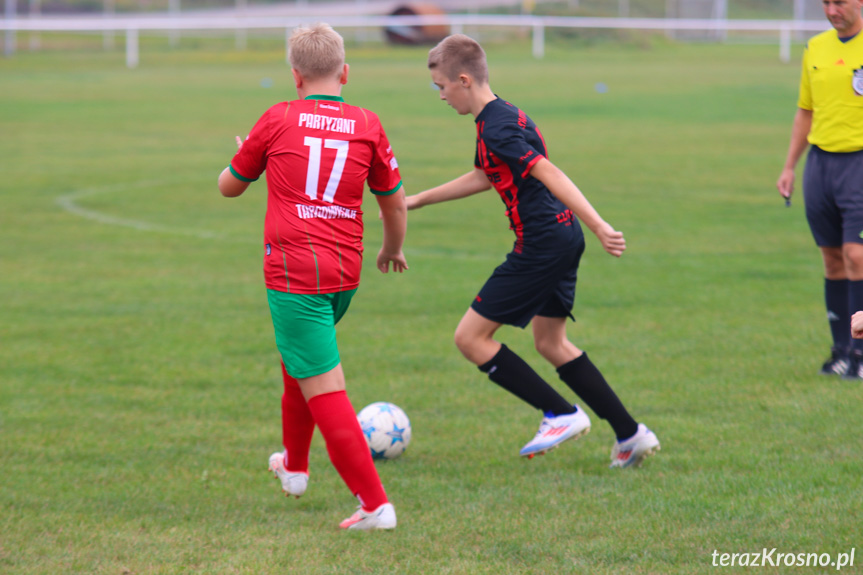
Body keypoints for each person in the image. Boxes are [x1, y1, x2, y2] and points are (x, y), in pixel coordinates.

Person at [405, 34, 660, 468]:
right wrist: (417, 200)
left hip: (542, 243)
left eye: (441, 87)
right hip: (562, 236)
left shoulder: (498, 127)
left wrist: (599, 224)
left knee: (470, 338)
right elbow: (485, 176)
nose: (441, 96)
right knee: (551, 342)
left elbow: (547, 170)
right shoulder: (504, 115)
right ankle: (630, 434)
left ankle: (561, 414)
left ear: (463, 80)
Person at [218, 23, 408, 530]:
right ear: (345, 72)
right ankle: (295, 468)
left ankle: (375, 505)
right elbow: (393, 201)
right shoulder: (368, 122)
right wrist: (392, 249)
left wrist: (242, 157)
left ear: (295, 76)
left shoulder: (277, 118)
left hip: (293, 272)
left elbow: (228, 188)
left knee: (324, 385)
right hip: (344, 274)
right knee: (297, 362)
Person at [776, 0, 863, 379]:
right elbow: (805, 111)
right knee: (831, 259)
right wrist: (790, 166)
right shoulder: (816, 48)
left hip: (859, 162)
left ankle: (861, 352)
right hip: (821, 166)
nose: (831, 10)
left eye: (839, 2)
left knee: (856, 255)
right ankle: (841, 350)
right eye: (825, 3)